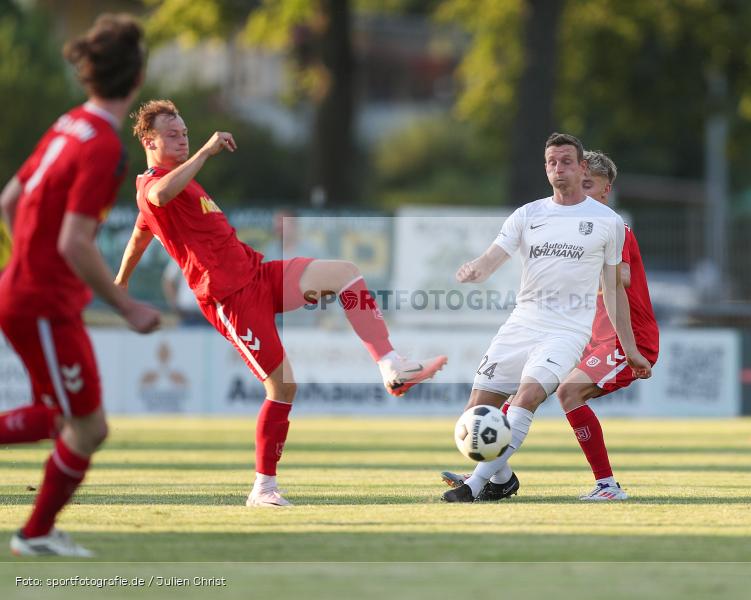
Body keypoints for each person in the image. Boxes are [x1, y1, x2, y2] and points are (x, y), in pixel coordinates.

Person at [114, 100, 447, 507]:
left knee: (344, 273)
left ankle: (390, 364)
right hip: (229, 298)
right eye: (172, 135)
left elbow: (140, 233)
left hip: (258, 274)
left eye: (184, 133)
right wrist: (205, 151)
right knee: (283, 385)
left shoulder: (169, 187)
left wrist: (121, 280)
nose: (182, 140)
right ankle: (263, 489)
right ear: (149, 142)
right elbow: (160, 195)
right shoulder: (154, 185)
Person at [0, 14, 159, 557]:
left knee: (65, 419)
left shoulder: (69, 123)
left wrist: (27, 261)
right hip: (43, 302)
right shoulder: (104, 146)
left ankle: (38, 533)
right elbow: (74, 241)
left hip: (28, 292)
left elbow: (10, 200)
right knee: (88, 428)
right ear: (137, 78)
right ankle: (36, 534)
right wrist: (127, 306)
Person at [441, 134, 651, 503]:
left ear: (581, 167)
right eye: (552, 162)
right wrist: (477, 268)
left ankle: (473, 486)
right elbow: (494, 255)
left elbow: (615, 287)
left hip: (566, 332)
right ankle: (501, 478)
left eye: (566, 161)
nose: (559, 168)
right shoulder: (528, 214)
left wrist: (630, 349)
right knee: (475, 415)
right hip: (521, 325)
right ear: (545, 168)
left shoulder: (608, 222)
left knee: (528, 396)